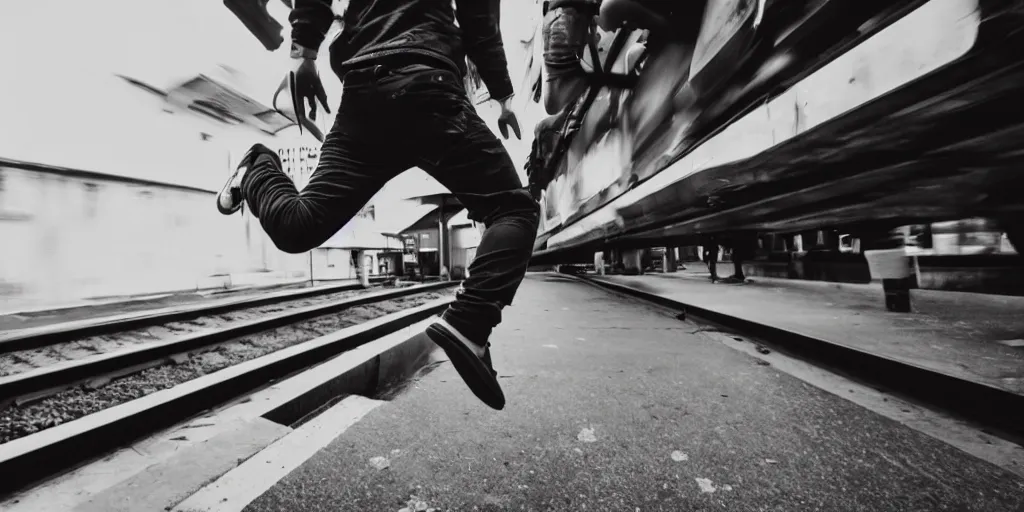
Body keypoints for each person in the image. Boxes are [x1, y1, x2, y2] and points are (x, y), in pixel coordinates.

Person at [216, 0, 540, 411]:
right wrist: (503, 95)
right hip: (429, 85)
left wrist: (304, 54)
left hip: (365, 94)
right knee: (514, 210)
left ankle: (258, 168)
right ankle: (470, 322)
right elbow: (480, 18)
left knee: (297, 226)